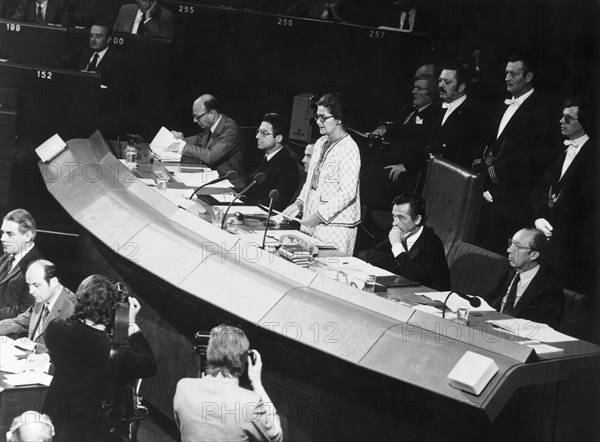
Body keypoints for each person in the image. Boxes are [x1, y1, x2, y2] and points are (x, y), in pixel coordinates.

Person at [43, 275, 157, 441]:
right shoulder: (115, 353)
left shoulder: (55, 330)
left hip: (58, 422)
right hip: (95, 430)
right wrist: (130, 324)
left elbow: (76, 329)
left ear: (78, 300)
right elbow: (149, 365)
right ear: (112, 309)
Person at [473, 52, 558, 254]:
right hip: (485, 192)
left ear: (528, 77)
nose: (506, 78)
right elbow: (485, 142)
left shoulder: (542, 112)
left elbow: (530, 160)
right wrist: (481, 177)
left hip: (511, 198)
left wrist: (494, 183)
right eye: (506, 73)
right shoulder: (500, 105)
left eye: (513, 74)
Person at [278, 93, 361, 255]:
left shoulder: (350, 148)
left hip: (337, 226)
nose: (317, 122)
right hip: (313, 220)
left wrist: (319, 215)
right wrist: (299, 204)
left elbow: (348, 192)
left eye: (323, 117)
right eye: (317, 116)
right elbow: (310, 181)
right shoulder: (321, 142)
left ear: (339, 119)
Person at [173, 324, 283, 442]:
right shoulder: (250, 404)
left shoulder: (183, 388)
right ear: (244, 361)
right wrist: (257, 384)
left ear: (209, 353)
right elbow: (277, 437)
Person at [533, 97, 596, 295]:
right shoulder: (560, 148)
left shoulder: (594, 155)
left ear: (584, 122)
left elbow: (586, 204)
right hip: (546, 236)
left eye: (568, 119)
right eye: (562, 116)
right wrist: (539, 217)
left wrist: (556, 225)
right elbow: (541, 188)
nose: (561, 121)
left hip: (571, 245)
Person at [362, 74, 440, 210]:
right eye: (414, 88)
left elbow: (426, 149)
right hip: (395, 160)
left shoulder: (433, 116)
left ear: (431, 94)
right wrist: (383, 129)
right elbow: (401, 129)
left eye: (419, 89)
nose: (413, 92)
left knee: (368, 174)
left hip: (409, 174)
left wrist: (405, 166)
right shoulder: (413, 111)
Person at [363, 194, 450, 291]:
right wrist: (392, 242)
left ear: (417, 219)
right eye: (394, 216)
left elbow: (414, 275)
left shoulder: (432, 242)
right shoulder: (396, 231)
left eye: (401, 217)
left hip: (430, 296)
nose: (394, 223)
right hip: (401, 291)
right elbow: (371, 257)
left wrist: (396, 245)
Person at [486, 228, 564, 329]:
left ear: (533, 255)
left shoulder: (550, 289)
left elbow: (543, 329)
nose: (509, 250)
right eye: (511, 243)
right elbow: (491, 299)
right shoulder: (507, 269)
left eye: (517, 246)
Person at [167, 94, 246, 189]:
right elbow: (199, 139)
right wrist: (180, 139)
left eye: (197, 116)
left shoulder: (231, 130)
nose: (194, 120)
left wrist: (183, 146)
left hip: (229, 185)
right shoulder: (213, 125)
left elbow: (211, 157)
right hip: (211, 179)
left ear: (212, 114)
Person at [0, 260, 75, 352]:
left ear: (54, 282)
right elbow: (20, 323)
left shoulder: (73, 309)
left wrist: (34, 346)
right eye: (29, 285)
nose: (31, 291)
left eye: (36, 285)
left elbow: (68, 352)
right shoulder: (43, 299)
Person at [427, 62, 486, 169]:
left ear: (461, 87)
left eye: (447, 82)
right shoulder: (435, 108)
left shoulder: (474, 115)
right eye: (440, 81)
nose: (440, 85)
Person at [244, 113, 299, 211]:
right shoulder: (261, 156)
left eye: (263, 133)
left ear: (278, 138)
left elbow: (275, 205)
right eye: (258, 131)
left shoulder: (287, 167)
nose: (257, 136)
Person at [61, 20, 127, 91]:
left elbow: (117, 89)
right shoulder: (84, 49)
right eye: (91, 36)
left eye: (98, 37)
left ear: (108, 39)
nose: (93, 40)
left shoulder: (117, 59)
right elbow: (62, 63)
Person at [1, 209, 42, 320]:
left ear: (27, 236)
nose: (2, 239)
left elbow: (25, 310)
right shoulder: (7, 256)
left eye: (10, 234)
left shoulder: (37, 267)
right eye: (2, 233)